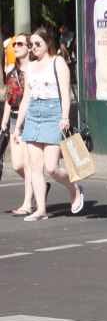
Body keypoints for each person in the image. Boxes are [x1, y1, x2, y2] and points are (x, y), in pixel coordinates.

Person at [14, 27, 83, 220]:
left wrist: (65, 117)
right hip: (34, 115)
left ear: (47, 43)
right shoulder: (30, 67)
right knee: (35, 166)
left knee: (52, 167)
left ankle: (74, 187)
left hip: (53, 114)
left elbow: (64, 95)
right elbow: (26, 99)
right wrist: (18, 126)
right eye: (31, 44)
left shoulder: (58, 62)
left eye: (37, 44)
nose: (33, 47)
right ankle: (41, 210)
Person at [3, 32, 35, 215]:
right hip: (15, 118)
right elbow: (9, 98)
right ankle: (39, 185)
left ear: (29, 47)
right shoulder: (10, 70)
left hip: (30, 117)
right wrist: (4, 123)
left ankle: (27, 204)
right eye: (14, 44)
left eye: (20, 44)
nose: (16, 47)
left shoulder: (35, 70)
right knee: (16, 165)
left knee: (28, 163)